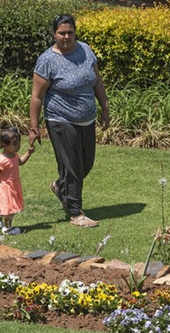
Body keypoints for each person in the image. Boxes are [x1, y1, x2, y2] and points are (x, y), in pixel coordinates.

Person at [28, 13, 110, 228]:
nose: (66, 37)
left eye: (70, 32)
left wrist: (105, 107)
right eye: (61, 33)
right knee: (72, 167)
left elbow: (96, 80)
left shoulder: (85, 50)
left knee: (86, 164)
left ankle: (60, 187)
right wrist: (34, 127)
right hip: (60, 119)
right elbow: (37, 96)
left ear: (75, 32)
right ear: (54, 34)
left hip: (87, 119)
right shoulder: (47, 60)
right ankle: (75, 213)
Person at [0, 124, 35, 235]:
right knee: (10, 209)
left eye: (19, 143)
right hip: (6, 188)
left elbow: (20, 162)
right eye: (15, 144)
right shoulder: (2, 160)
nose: (18, 146)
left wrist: (29, 153)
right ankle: (7, 228)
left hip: (14, 186)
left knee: (5, 205)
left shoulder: (14, 155)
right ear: (4, 145)